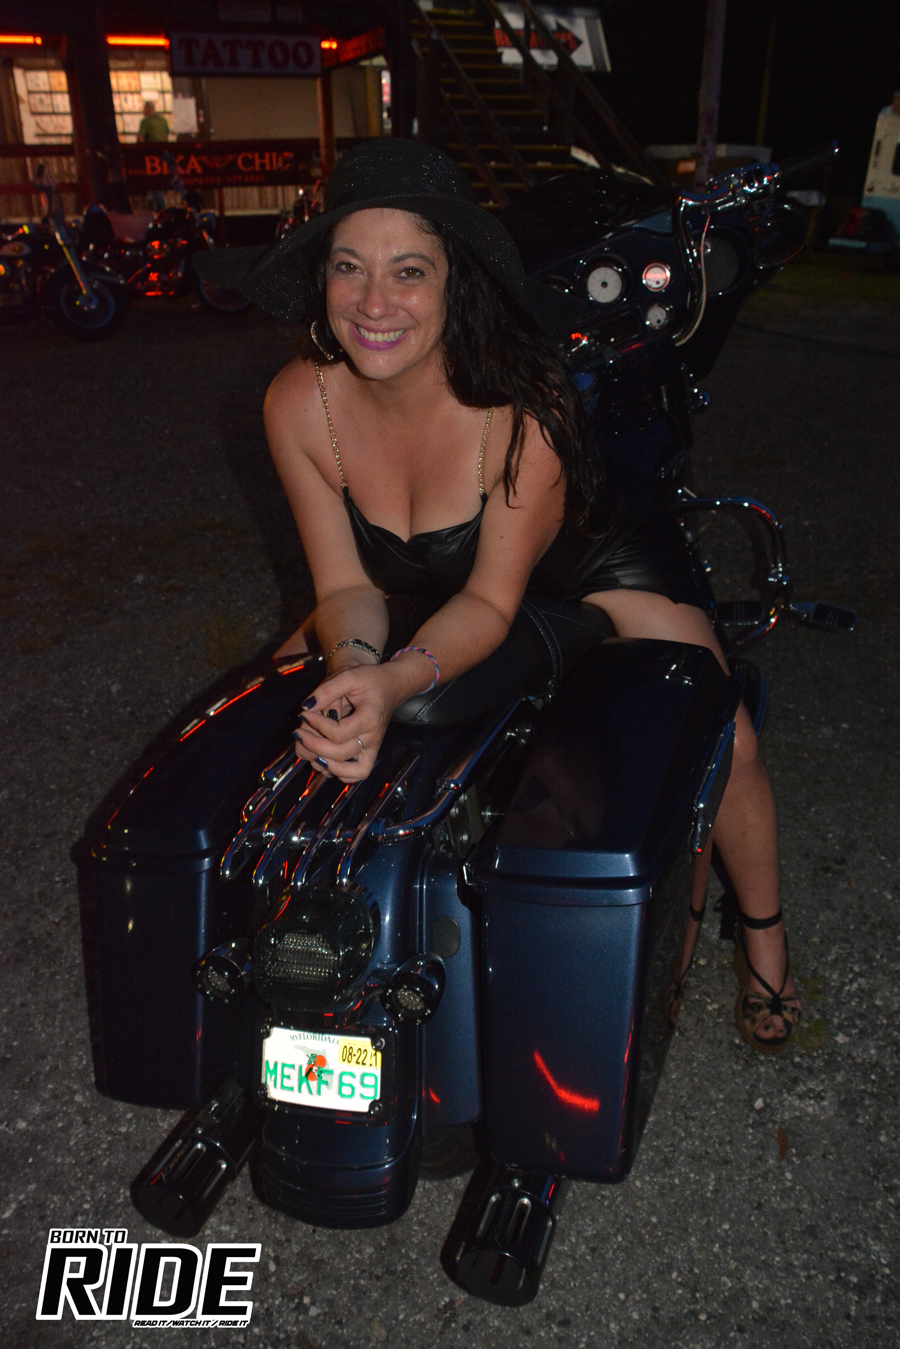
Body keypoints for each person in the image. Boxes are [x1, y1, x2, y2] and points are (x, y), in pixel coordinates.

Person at [194, 139, 801, 1054]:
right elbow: (348, 586)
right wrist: (358, 670)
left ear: (457, 284)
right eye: (350, 268)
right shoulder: (297, 403)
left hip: (590, 555)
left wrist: (400, 679)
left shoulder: (524, 410)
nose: (374, 302)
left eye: (409, 271)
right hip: (437, 580)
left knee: (725, 738)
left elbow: (488, 602)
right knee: (274, 705)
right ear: (321, 277)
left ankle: (767, 946)